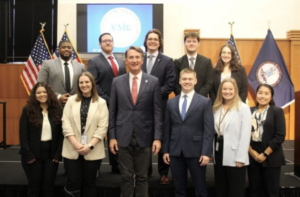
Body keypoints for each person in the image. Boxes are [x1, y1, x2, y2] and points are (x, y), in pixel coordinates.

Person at [109, 46, 163, 197]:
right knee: (126, 178)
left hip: (145, 136)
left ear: (142, 59)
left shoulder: (153, 81)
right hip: (122, 136)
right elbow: (112, 111)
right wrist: (112, 136)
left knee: (142, 177)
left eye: (137, 57)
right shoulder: (116, 82)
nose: (134, 60)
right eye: (131, 57)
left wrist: (158, 138)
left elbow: (157, 112)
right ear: (126, 61)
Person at [162, 68, 214, 197]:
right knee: (179, 190)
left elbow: (209, 130)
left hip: (196, 152)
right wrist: (166, 150)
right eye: (184, 79)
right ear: (179, 81)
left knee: (200, 189)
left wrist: (206, 153)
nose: (187, 81)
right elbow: (167, 128)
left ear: (195, 81)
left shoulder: (205, 102)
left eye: (190, 79)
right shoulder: (170, 102)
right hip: (175, 152)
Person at [62, 72, 108, 197]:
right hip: (72, 148)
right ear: (78, 85)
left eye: (87, 82)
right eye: (81, 82)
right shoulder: (71, 100)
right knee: (72, 183)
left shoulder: (101, 103)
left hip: (93, 150)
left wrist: (90, 146)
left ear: (92, 83)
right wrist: (76, 144)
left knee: (90, 183)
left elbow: (102, 128)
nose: (84, 85)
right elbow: (65, 124)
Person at [88, 32, 126, 173]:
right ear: (100, 44)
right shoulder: (94, 61)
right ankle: (95, 166)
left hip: (121, 104)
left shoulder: (121, 60)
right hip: (103, 103)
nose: (108, 43)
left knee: (116, 134)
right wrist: (107, 99)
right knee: (100, 134)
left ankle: (116, 165)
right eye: (105, 41)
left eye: (110, 40)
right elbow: (94, 83)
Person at [141, 28, 176, 183]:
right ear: (146, 41)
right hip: (140, 108)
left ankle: (163, 172)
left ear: (160, 42)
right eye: (150, 39)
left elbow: (170, 84)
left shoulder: (168, 61)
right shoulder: (138, 58)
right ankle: (146, 170)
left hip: (160, 107)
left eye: (156, 39)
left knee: (161, 138)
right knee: (143, 138)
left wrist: (152, 96)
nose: (153, 41)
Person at [19, 82, 63, 197]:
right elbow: (23, 135)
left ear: (49, 94)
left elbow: (61, 135)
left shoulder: (57, 110)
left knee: (48, 187)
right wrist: (28, 155)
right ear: (34, 95)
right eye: (38, 93)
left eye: (44, 92)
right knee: (34, 188)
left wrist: (58, 154)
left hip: (51, 156)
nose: (42, 94)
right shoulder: (27, 110)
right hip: (32, 156)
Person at [212, 78, 251, 197]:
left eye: (230, 89)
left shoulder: (243, 108)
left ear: (235, 90)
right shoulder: (216, 107)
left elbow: (245, 135)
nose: (227, 91)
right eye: (224, 89)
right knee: (220, 186)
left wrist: (241, 157)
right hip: (218, 151)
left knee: (236, 189)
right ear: (220, 91)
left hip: (235, 154)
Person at [248, 84, 286, 197]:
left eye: (266, 93)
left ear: (271, 96)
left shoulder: (277, 111)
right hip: (252, 154)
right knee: (254, 190)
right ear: (256, 94)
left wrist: (265, 154)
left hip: (271, 155)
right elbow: (243, 134)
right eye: (260, 92)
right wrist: (252, 152)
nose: (262, 96)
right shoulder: (248, 111)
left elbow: (280, 136)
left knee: (271, 191)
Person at [38, 40, 86, 105]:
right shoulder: (47, 64)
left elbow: (85, 85)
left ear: (72, 50)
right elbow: (41, 84)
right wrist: (58, 97)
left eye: (69, 47)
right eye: (63, 47)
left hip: (76, 104)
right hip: (55, 105)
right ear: (59, 50)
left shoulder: (81, 66)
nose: (66, 49)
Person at [174, 32, 213, 97]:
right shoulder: (178, 62)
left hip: (201, 100)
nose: (191, 44)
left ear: (198, 43)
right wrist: (184, 96)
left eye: (194, 41)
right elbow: (175, 84)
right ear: (184, 43)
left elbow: (209, 83)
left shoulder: (206, 62)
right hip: (183, 99)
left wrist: (197, 98)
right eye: (188, 41)